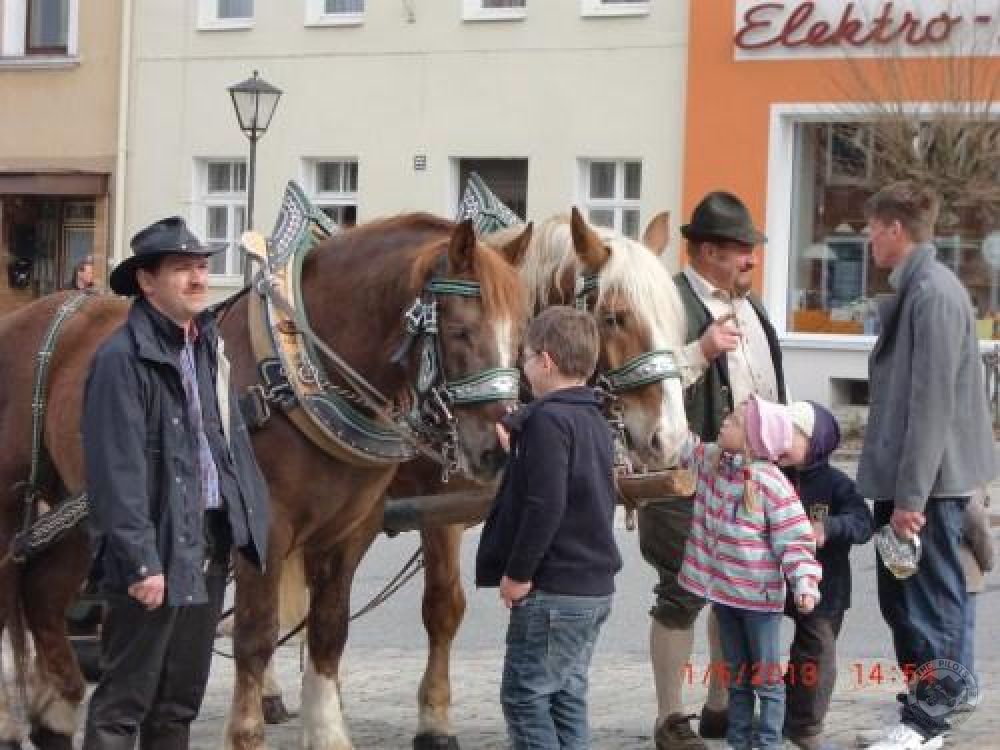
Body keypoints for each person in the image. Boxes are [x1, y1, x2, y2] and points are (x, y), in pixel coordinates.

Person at [82, 216, 270, 750]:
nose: (198, 278)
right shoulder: (122, 358)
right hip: (154, 552)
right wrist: (142, 563)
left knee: (178, 705)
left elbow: (222, 444)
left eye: (202, 267)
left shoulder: (205, 347)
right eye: (183, 268)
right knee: (124, 705)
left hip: (206, 543)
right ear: (147, 281)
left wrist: (245, 528)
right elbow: (117, 473)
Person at [638, 190, 787, 749]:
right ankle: (670, 718)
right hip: (684, 472)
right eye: (741, 249)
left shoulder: (753, 305)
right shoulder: (669, 302)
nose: (752, 258)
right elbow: (644, 382)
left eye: (751, 248)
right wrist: (700, 350)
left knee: (738, 592)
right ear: (706, 251)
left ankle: (723, 705)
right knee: (680, 592)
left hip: (751, 477)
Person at [856, 181, 996, 750]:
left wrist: (910, 499)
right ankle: (924, 712)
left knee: (929, 605)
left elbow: (931, 404)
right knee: (907, 602)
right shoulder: (923, 288)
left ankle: (926, 724)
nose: (868, 238)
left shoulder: (933, 293)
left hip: (928, 487)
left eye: (872, 228)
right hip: (918, 483)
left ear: (895, 229)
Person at [475, 305, 622, 750]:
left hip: (552, 589)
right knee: (565, 696)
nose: (522, 368)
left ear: (545, 361)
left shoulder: (547, 422)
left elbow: (545, 505)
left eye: (524, 358)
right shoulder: (593, 419)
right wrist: (520, 444)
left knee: (525, 697)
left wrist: (518, 574)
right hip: (591, 590)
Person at [677, 395, 821, 750]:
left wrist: (804, 583)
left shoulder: (771, 483)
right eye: (727, 417)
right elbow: (677, 443)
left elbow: (795, 539)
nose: (724, 422)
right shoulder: (712, 463)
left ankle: (769, 743)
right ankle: (738, 741)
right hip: (726, 598)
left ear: (755, 438)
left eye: (735, 421)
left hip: (760, 604)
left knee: (767, 681)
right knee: (736, 678)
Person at [779, 401, 874, 750]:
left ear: (815, 441)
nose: (779, 440)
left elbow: (863, 524)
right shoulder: (771, 476)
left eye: (789, 434)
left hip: (824, 588)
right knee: (759, 650)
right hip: (773, 583)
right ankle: (770, 715)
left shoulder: (836, 484)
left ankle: (805, 728)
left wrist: (829, 527)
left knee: (815, 655)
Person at [958, 488, 993, 682]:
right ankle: (965, 686)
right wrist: (988, 561)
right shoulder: (966, 478)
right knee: (961, 636)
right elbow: (977, 524)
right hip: (962, 571)